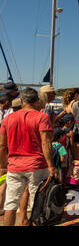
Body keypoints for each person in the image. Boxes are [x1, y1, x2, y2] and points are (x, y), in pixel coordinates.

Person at [0, 88, 58, 226]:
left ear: (21, 101)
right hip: (36, 166)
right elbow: (46, 141)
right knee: (38, 205)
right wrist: (51, 165)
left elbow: (2, 145)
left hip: (14, 166)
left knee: (10, 205)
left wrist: (2, 165)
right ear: (37, 101)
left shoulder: (8, 118)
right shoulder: (41, 117)